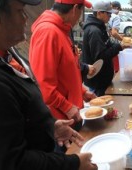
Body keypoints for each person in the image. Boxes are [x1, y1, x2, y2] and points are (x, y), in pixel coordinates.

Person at [0, 0, 97, 169]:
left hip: (54, 130)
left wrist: (49, 126)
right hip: (51, 141)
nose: (26, 18)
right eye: (20, 11)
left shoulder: (6, 52)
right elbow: (13, 161)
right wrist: (73, 164)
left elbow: (64, 73)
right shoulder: (48, 32)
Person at [29, 0, 96, 131]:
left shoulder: (61, 29)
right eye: (81, 11)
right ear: (75, 8)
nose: (79, 18)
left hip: (72, 114)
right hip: (60, 121)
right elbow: (43, 85)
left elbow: (67, 72)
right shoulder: (48, 32)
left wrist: (81, 92)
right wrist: (67, 107)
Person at [81, 1, 127, 96]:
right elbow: (101, 56)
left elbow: (107, 44)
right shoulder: (94, 31)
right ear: (99, 13)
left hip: (103, 79)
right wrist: (119, 46)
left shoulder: (100, 27)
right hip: (97, 81)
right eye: (108, 13)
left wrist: (120, 44)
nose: (110, 15)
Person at [108, 1, 123, 73]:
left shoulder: (106, 15)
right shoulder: (116, 17)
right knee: (116, 65)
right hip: (112, 43)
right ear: (117, 8)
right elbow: (114, 33)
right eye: (119, 9)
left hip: (104, 42)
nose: (118, 11)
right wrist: (123, 40)